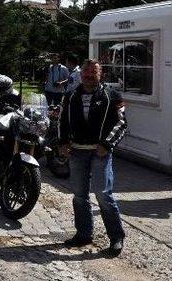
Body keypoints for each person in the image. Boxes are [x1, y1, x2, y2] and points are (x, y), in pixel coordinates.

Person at [58, 59, 127, 257]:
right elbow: (62, 120)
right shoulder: (70, 95)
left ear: (100, 74)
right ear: (81, 74)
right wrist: (62, 142)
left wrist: (106, 145)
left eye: (93, 72)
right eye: (86, 72)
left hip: (100, 152)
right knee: (79, 195)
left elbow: (122, 123)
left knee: (103, 194)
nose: (89, 75)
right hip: (77, 152)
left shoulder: (112, 95)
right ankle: (84, 234)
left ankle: (116, 237)